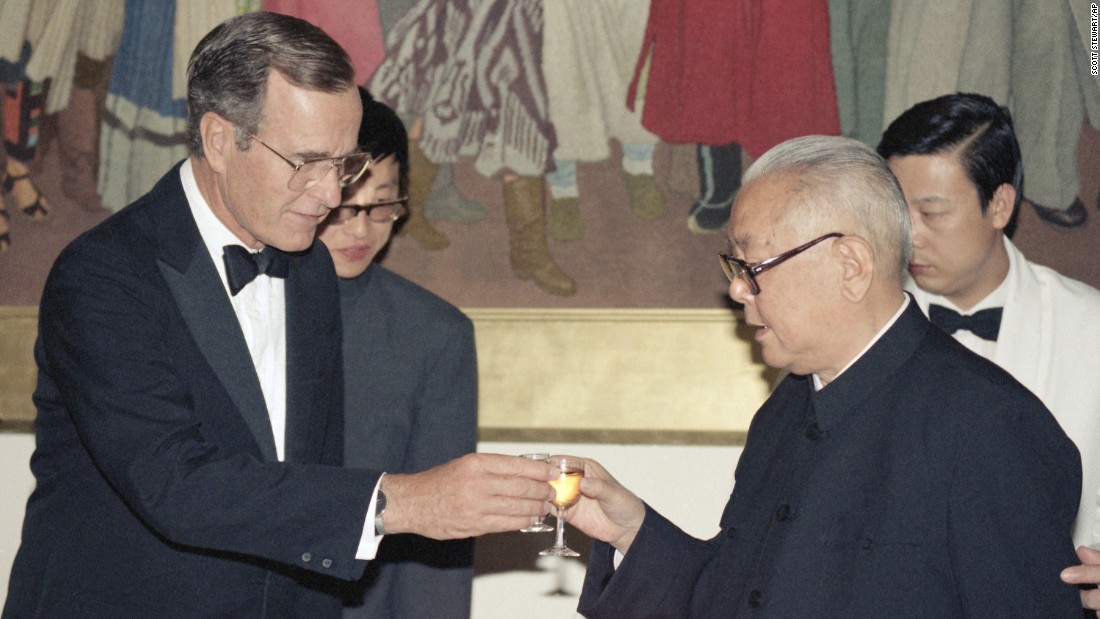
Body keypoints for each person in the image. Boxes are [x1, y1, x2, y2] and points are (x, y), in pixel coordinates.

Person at [2, 13, 554, 618]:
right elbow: (176, 483)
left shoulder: (309, 267)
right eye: (305, 161)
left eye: (342, 165)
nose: (329, 195)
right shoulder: (105, 275)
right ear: (219, 139)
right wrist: (405, 501)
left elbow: (307, 481)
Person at [567, 135, 1082, 617]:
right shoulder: (786, 406)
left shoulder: (990, 425)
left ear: (850, 265)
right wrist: (631, 530)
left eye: (753, 266)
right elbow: (739, 594)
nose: (738, 291)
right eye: (736, 267)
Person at [877, 93, 1100, 552]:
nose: (909, 235)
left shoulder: (1089, 329)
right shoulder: (857, 327)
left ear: (1000, 205)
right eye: (898, 212)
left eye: (931, 213)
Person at [317, 88, 477, 618]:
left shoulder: (434, 334)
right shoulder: (237, 304)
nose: (360, 229)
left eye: (381, 205)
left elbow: (438, 542)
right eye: (341, 207)